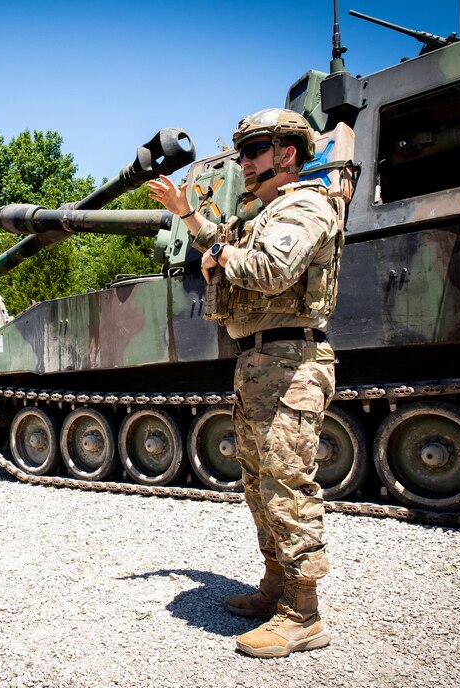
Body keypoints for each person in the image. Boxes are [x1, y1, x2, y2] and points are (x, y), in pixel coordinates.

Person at [147, 108, 343, 658]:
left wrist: (216, 252)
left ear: (287, 154)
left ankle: (302, 613)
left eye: (255, 150)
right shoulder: (269, 210)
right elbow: (227, 243)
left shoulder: (305, 203)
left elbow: (268, 270)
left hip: (290, 360)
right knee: (259, 482)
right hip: (260, 361)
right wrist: (189, 216)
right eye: (243, 151)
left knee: (286, 484)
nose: (244, 162)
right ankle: (277, 584)